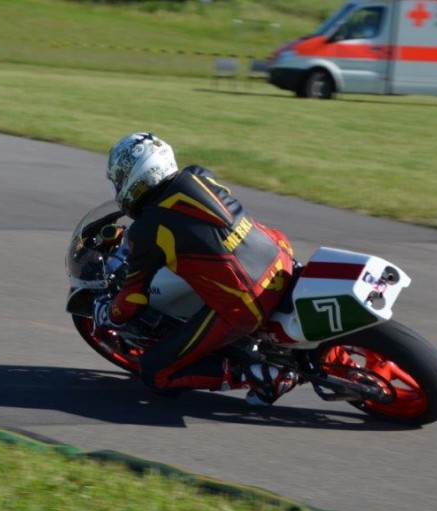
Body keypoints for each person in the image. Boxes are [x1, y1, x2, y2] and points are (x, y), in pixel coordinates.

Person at [93, 132, 297, 406]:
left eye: (118, 178)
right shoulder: (199, 175)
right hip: (279, 257)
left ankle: (258, 374)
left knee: (155, 372)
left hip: (246, 304)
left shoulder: (148, 229)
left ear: (136, 178)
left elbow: (132, 299)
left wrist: (107, 314)